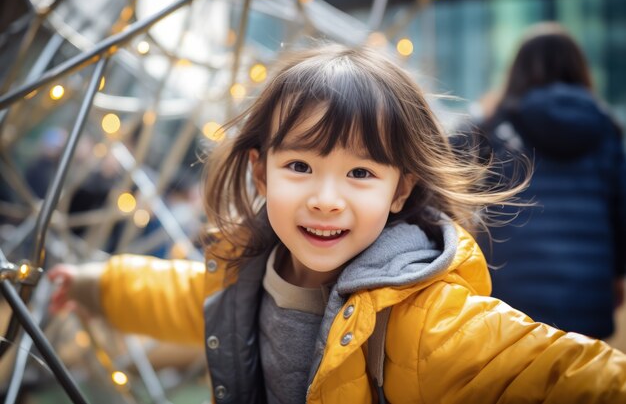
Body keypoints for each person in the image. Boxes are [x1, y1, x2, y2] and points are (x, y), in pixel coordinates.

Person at [48, 44, 626, 403]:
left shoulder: (423, 314)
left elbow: (555, 372)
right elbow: (177, 296)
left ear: (400, 188)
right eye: (300, 165)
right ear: (260, 171)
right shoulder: (241, 272)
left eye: (360, 174)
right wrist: (96, 285)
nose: (326, 200)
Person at [459, 22, 626, 340]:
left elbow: (444, 163)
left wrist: (477, 114)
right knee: (581, 382)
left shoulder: (494, 126)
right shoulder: (606, 128)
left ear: (517, 70)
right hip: (587, 293)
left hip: (512, 298)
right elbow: (620, 215)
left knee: (519, 383)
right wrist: (617, 277)